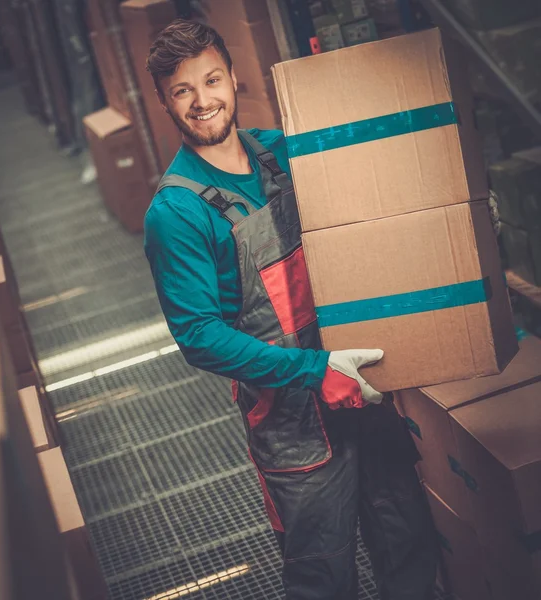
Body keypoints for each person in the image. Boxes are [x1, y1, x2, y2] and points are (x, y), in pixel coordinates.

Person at [143, 19, 440, 600]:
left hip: (364, 379)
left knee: (407, 539)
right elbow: (198, 336)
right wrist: (314, 371)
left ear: (233, 77)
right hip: (291, 419)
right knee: (321, 573)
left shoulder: (283, 151)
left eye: (211, 80)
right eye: (183, 90)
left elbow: (372, 199)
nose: (203, 101)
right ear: (163, 101)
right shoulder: (175, 213)